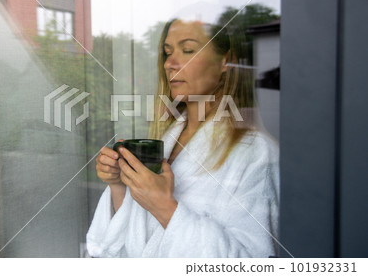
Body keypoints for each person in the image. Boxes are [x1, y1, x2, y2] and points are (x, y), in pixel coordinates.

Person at [86, 18, 279, 257]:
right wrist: (119, 186)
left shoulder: (256, 153)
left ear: (225, 61)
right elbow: (136, 242)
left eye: (187, 50)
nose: (170, 63)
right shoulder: (167, 138)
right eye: (167, 53)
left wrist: (165, 208)